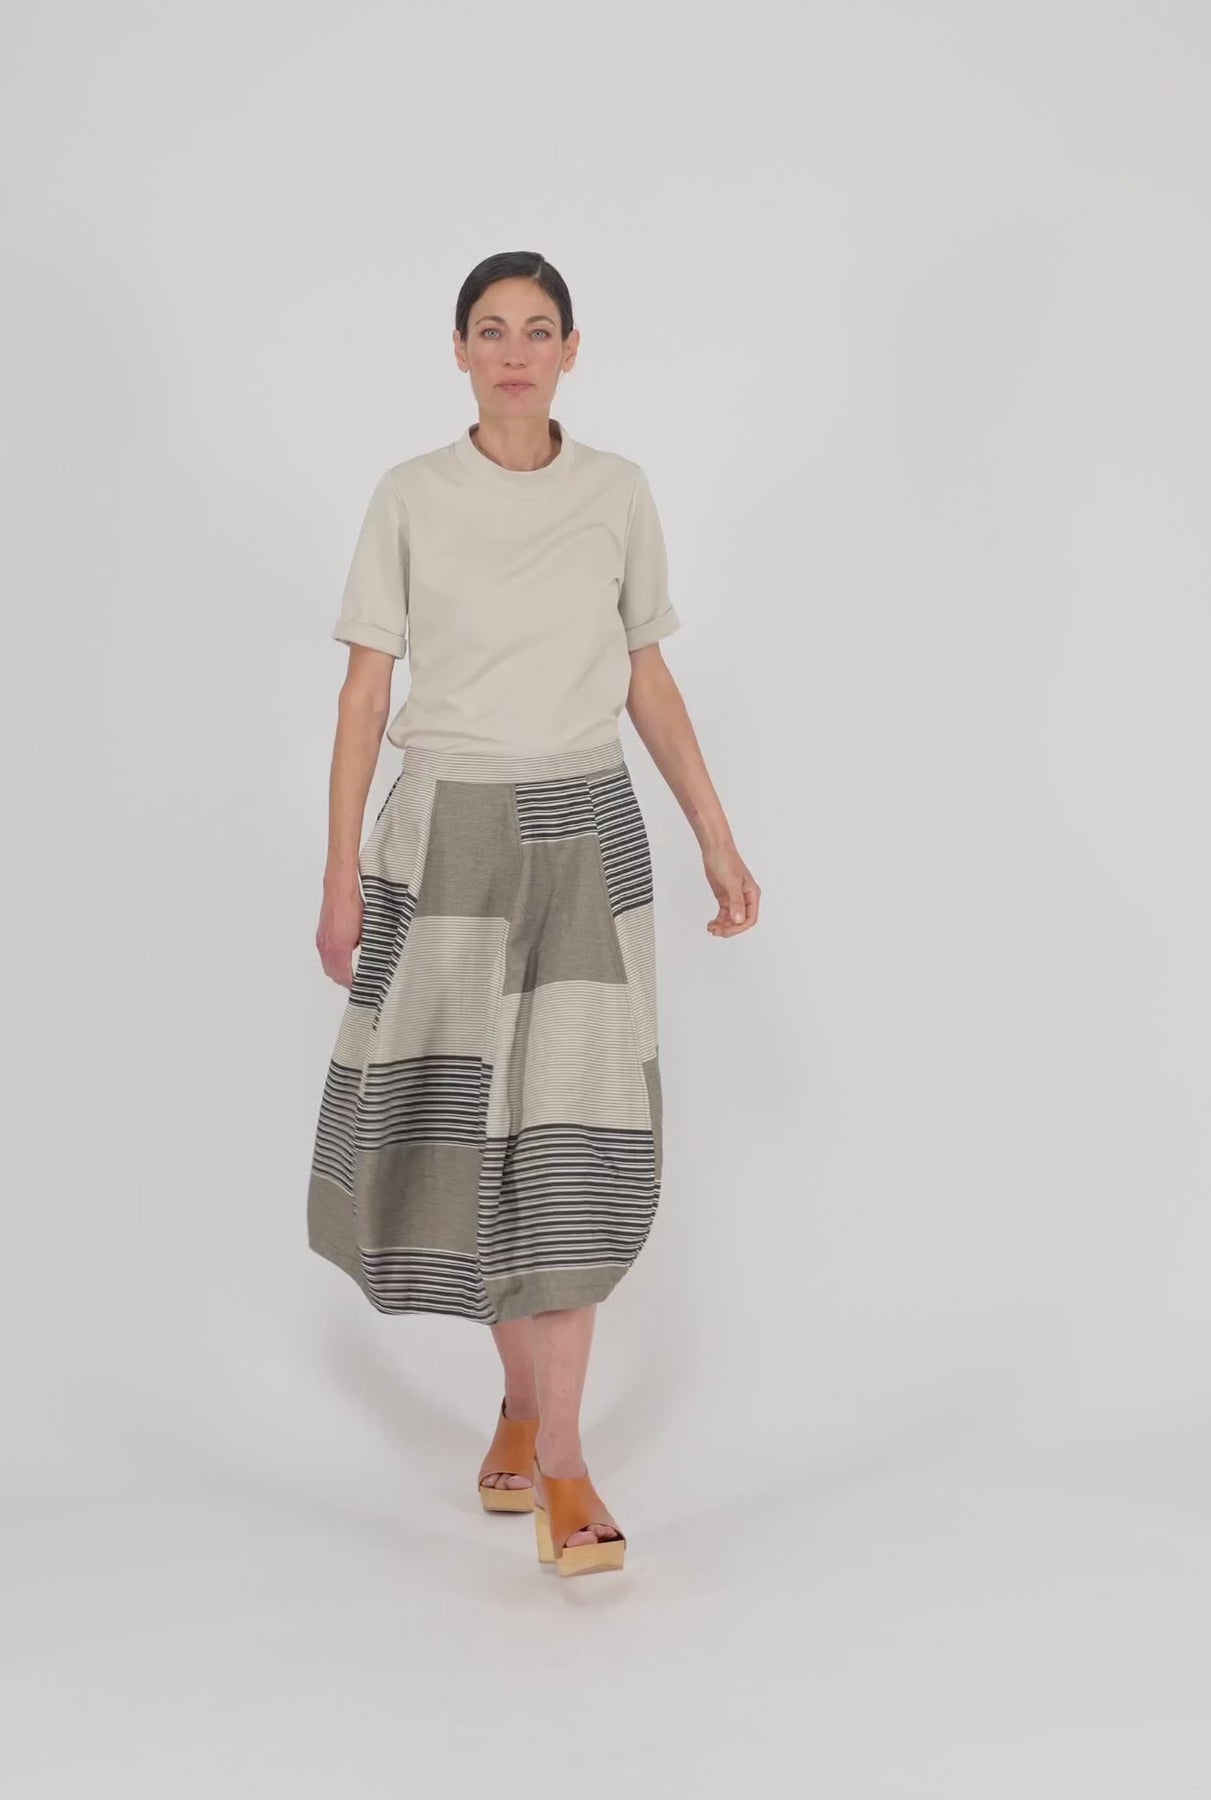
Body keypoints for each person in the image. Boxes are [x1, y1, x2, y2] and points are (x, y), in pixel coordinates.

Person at [307, 250, 759, 1577]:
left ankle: (561, 1457)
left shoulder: (616, 492)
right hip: (444, 835)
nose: (514, 353)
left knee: (570, 1134)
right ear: (458, 351)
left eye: (538, 330)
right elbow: (364, 696)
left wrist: (717, 838)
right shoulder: (410, 496)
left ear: (571, 349)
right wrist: (338, 871)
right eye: (491, 330)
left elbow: (647, 677)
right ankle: (517, 1408)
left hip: (585, 834)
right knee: (465, 1136)